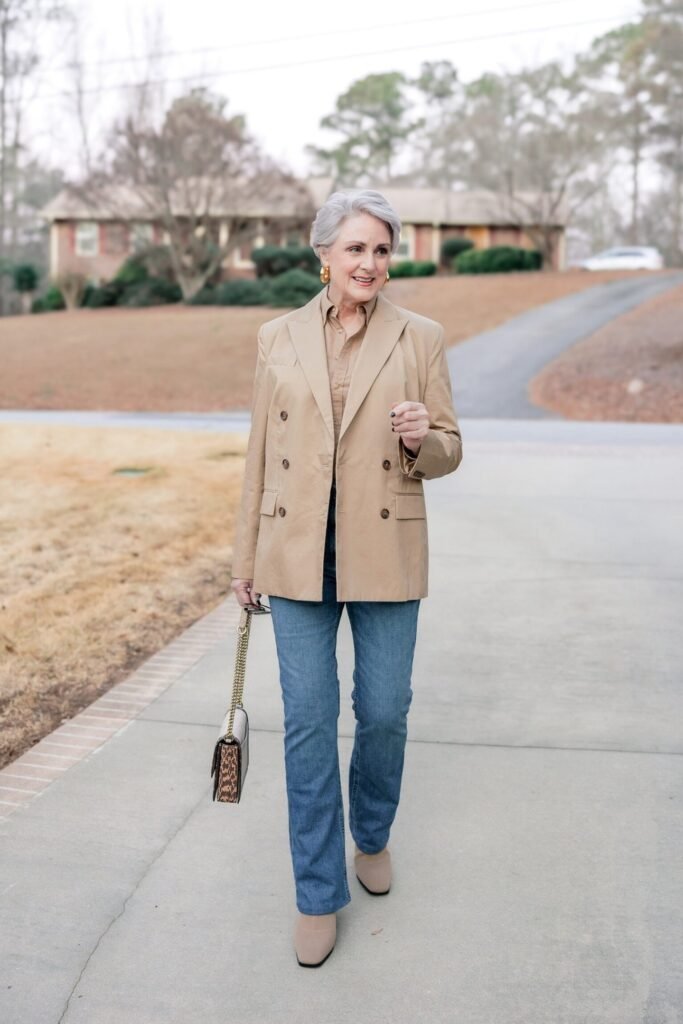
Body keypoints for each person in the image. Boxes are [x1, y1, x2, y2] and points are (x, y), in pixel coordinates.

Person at [230, 188, 463, 967]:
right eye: (356, 249)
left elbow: (449, 449)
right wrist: (243, 560)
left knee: (385, 710)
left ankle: (373, 833)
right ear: (322, 253)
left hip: (385, 545)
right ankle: (316, 891)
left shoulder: (419, 336)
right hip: (294, 553)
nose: (371, 264)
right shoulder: (276, 336)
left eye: (382, 250)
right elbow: (260, 449)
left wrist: (423, 435)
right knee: (305, 723)